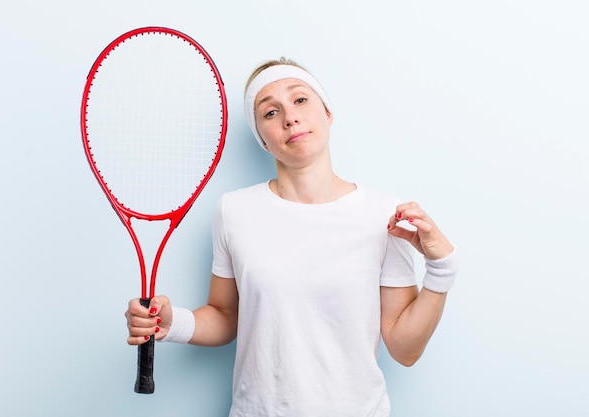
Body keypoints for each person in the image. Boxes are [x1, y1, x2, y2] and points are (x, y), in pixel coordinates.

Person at [125, 57, 459, 417]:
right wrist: (172, 323)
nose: (290, 117)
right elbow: (225, 315)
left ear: (327, 113)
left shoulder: (385, 215)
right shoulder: (234, 210)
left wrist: (442, 270)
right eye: (270, 112)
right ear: (263, 140)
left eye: (301, 100)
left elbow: (405, 349)